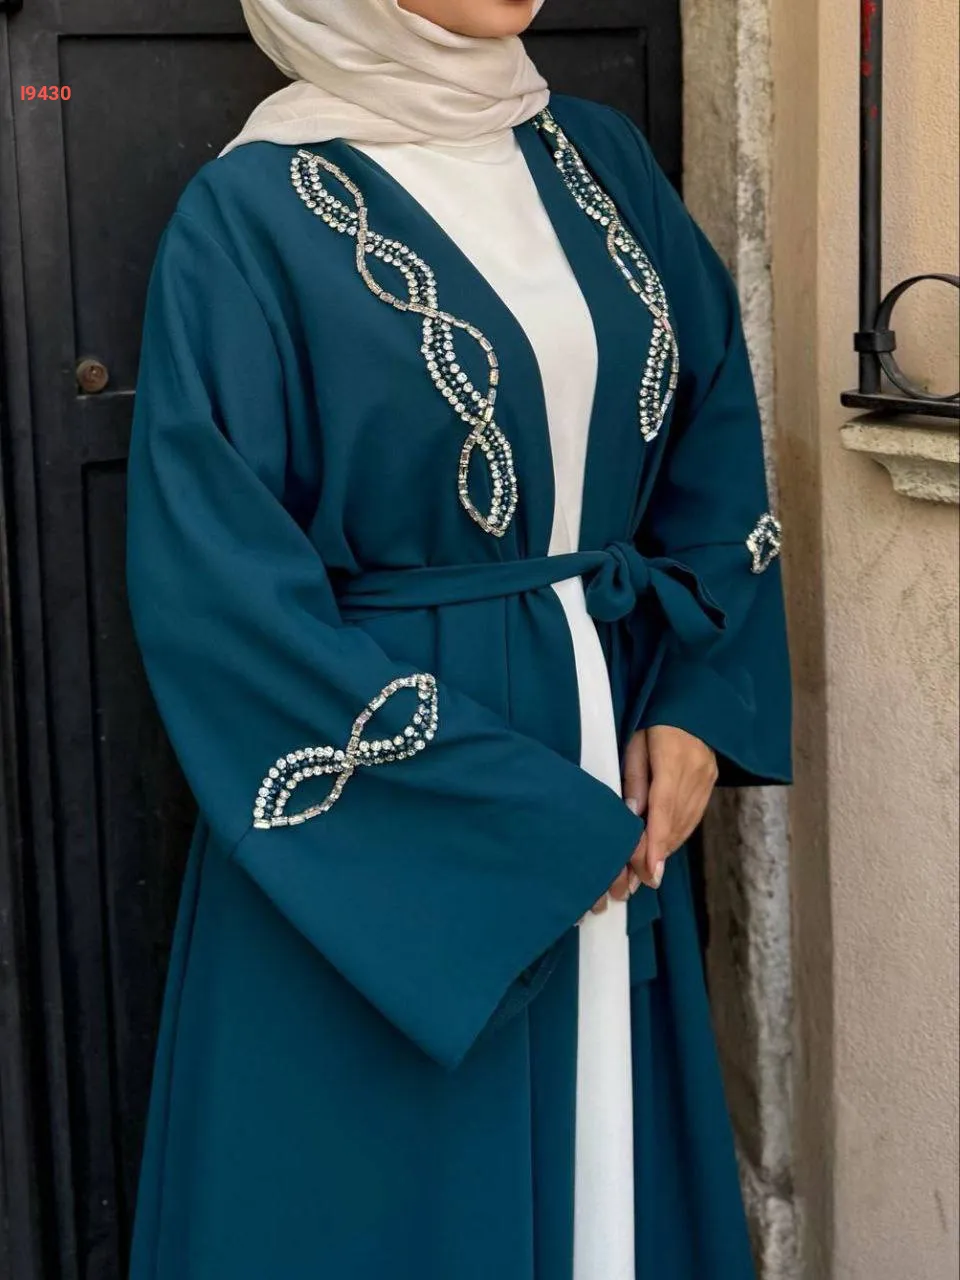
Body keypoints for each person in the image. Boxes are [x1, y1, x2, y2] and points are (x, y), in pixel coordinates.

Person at [124, 1, 792, 1277]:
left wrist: (699, 699)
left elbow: (715, 434)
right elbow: (221, 602)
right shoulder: (247, 218)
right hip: (392, 843)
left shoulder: (600, 160)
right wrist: (515, 825)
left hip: (620, 771)